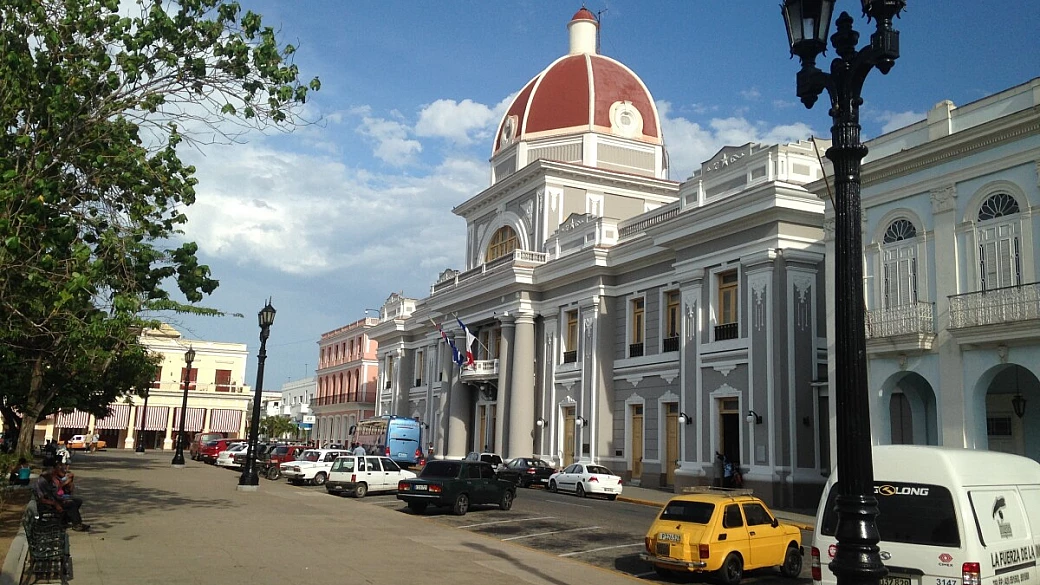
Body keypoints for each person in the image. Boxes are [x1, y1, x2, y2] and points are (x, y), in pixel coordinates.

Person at [33, 464, 89, 532]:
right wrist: (56, 504)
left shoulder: (49, 480)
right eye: (52, 474)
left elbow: (55, 492)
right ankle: (76, 524)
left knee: (78, 501)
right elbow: (42, 499)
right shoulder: (41, 483)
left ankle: (66, 520)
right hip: (49, 504)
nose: (53, 476)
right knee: (71, 504)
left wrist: (61, 499)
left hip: (56, 500)